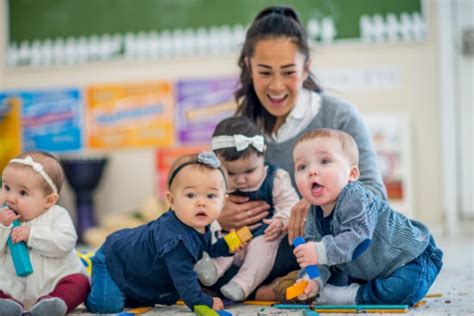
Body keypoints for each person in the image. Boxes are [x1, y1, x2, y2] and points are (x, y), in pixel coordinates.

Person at [214, 5, 387, 300]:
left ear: (306, 68)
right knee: (191, 257)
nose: (277, 86)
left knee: (347, 262)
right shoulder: (241, 128)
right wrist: (219, 210)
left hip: (322, 250)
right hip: (255, 249)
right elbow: (207, 185)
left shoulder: (338, 117)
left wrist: (318, 201)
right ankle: (269, 287)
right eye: (265, 73)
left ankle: (272, 289)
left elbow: (376, 197)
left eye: (289, 72)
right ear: (248, 66)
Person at [291, 128, 443, 305]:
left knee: (404, 289)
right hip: (370, 270)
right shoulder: (313, 214)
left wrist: (318, 250)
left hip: (410, 257)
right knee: (333, 276)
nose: (312, 171)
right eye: (302, 167)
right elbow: (319, 260)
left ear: (352, 174)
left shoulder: (355, 196)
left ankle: (351, 296)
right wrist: (312, 280)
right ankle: (345, 290)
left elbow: (358, 240)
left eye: (324, 161)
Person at [85, 152, 239, 313]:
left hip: (135, 268)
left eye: (211, 196)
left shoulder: (202, 225)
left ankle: (119, 288)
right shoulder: (175, 241)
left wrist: (227, 246)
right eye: (191, 195)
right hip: (113, 258)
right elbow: (185, 282)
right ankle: (86, 285)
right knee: (106, 306)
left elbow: (207, 248)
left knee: (132, 301)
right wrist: (204, 301)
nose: (201, 203)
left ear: (223, 202)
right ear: (172, 200)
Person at [195, 116, 299, 301]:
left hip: (263, 237)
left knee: (262, 247)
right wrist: (215, 217)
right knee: (221, 243)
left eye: (249, 171)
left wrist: (281, 220)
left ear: (263, 155)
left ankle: (242, 285)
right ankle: (211, 272)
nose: (241, 180)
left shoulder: (276, 178)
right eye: (231, 173)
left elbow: (290, 204)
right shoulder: (212, 182)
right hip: (231, 238)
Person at [0, 151, 90, 316]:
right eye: (6, 187)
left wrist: (32, 235)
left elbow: (65, 242)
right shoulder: (2, 219)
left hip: (54, 281)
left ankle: (54, 304)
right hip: (12, 287)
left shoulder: (57, 215)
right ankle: (6, 305)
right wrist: (3, 226)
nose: (10, 198)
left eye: (23, 193)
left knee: (80, 282)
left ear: (49, 200)